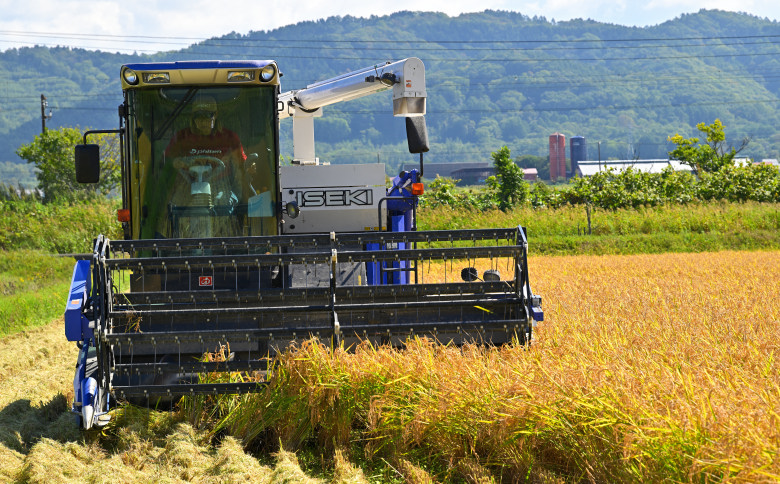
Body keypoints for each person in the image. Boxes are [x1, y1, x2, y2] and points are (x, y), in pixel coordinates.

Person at [161, 96, 250, 237]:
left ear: (216, 115)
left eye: (207, 116)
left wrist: (240, 193)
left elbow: (240, 167)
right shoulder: (182, 137)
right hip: (187, 183)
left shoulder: (229, 137)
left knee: (222, 205)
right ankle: (183, 240)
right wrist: (182, 162)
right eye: (198, 117)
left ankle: (218, 240)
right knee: (176, 206)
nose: (203, 121)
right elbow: (169, 161)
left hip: (220, 184)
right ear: (193, 118)